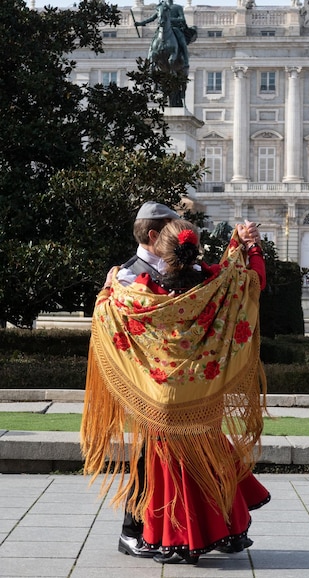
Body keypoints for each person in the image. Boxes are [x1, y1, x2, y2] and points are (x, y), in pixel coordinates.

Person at [81, 217, 270, 565]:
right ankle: (211, 533)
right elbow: (252, 279)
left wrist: (107, 290)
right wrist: (248, 245)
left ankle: (172, 539)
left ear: (160, 248)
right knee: (206, 466)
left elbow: (105, 313)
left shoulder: (138, 290)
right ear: (193, 251)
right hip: (200, 394)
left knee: (168, 476)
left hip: (160, 399)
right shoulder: (212, 284)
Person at [106, 200, 180, 559]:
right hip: (148, 383)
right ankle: (131, 530)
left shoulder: (177, 268)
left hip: (176, 383)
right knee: (148, 456)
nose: (180, 236)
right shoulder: (128, 275)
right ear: (154, 235)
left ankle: (172, 530)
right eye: (172, 230)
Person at [135, 0, 196, 69]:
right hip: (162, 28)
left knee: (182, 42)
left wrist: (170, 20)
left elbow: (182, 19)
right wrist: (140, 23)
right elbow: (152, 18)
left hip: (175, 28)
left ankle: (186, 61)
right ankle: (149, 59)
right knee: (153, 42)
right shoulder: (161, 8)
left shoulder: (177, 7)